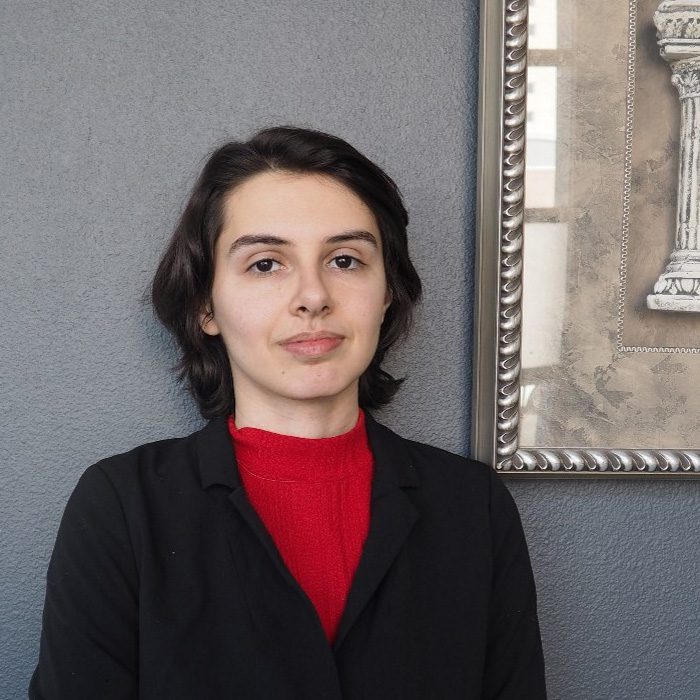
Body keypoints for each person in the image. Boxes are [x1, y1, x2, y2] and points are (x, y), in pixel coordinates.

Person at [29, 126, 546, 699]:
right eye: (266, 264)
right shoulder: (121, 506)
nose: (313, 295)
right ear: (207, 305)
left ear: (388, 292)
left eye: (346, 260)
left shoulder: (473, 507)